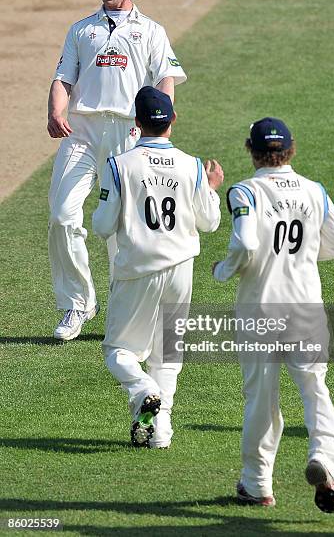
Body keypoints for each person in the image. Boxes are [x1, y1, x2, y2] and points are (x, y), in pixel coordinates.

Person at [47, 0, 187, 341]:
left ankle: (129, 310)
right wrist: (56, 110)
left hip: (129, 134)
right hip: (83, 133)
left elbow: (165, 80)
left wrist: (159, 127)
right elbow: (63, 78)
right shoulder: (82, 29)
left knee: (127, 227)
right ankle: (78, 304)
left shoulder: (152, 31)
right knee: (62, 216)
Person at [213, 117, 334, 511]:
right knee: (314, 388)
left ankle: (257, 485)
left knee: (260, 397)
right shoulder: (314, 190)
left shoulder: (245, 192)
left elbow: (245, 243)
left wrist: (225, 269)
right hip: (305, 307)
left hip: (260, 309)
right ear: (290, 149)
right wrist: (304, 256)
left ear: (251, 149)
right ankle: (323, 457)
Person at [92, 86, 223, 449]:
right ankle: (160, 433)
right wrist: (210, 188)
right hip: (181, 270)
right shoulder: (192, 165)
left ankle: (143, 390)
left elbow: (102, 226)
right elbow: (209, 222)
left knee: (118, 351)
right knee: (167, 354)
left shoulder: (120, 165)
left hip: (137, 270)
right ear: (173, 120)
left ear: (136, 123)